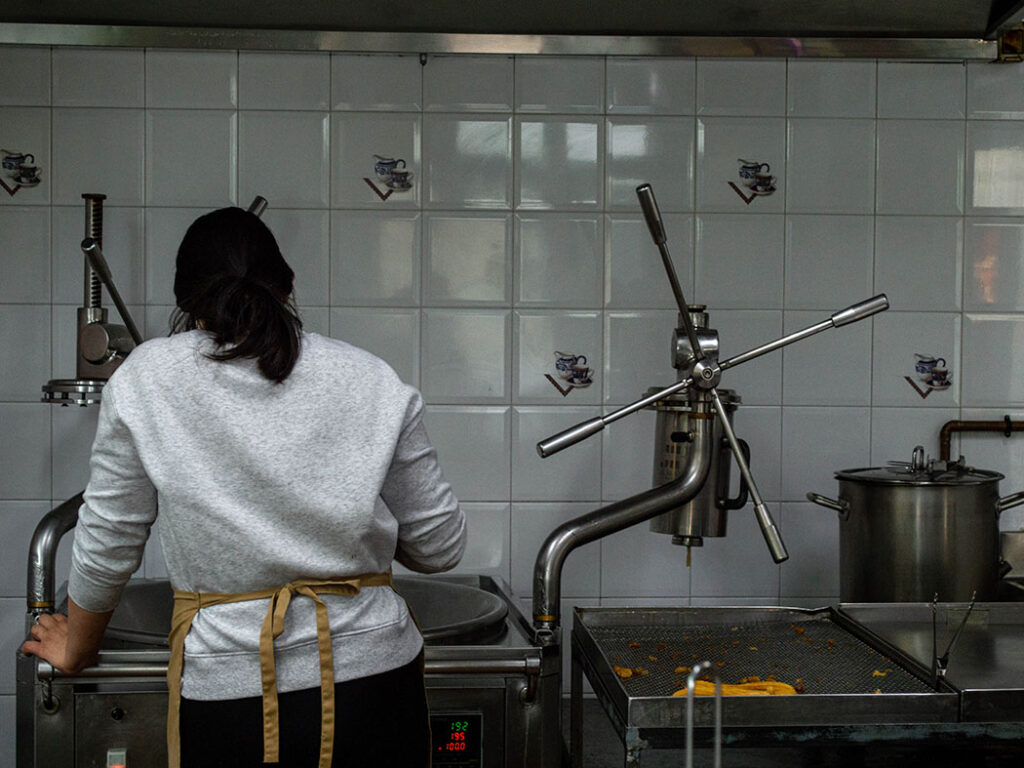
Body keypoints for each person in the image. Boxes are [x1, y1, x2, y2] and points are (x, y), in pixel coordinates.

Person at [22, 206, 466, 768]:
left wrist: (78, 645)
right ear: (289, 287)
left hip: (230, 691)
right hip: (375, 685)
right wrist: (344, 509)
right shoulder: (371, 377)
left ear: (186, 302)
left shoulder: (147, 377)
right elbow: (441, 546)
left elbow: (111, 533)